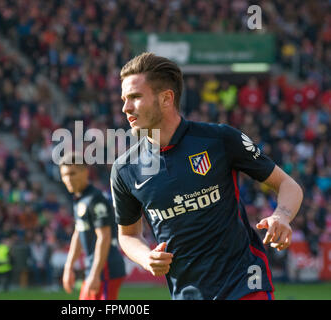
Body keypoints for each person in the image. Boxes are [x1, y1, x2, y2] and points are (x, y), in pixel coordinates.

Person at [110, 52, 303, 300]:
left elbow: (288, 184)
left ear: (166, 98)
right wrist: (146, 258)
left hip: (244, 284)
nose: (126, 108)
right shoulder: (125, 169)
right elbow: (128, 235)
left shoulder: (219, 139)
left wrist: (282, 216)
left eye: (135, 97)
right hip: (187, 293)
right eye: (124, 99)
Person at [59, 153, 126, 300]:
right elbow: (79, 231)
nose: (68, 179)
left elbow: (104, 237)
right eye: (64, 175)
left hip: (106, 269)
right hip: (95, 270)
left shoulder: (95, 199)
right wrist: (68, 267)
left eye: (72, 173)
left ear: (85, 172)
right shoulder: (79, 198)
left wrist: (96, 274)